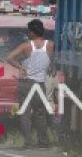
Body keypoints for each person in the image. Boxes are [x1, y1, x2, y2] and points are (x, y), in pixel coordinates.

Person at [6, 19, 56, 149]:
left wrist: (21, 68)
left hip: (26, 83)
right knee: (40, 113)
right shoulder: (50, 45)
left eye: (28, 31)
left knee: (25, 114)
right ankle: (43, 142)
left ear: (33, 32)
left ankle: (28, 142)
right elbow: (52, 61)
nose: (27, 34)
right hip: (40, 84)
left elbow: (9, 57)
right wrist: (50, 67)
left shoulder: (26, 46)